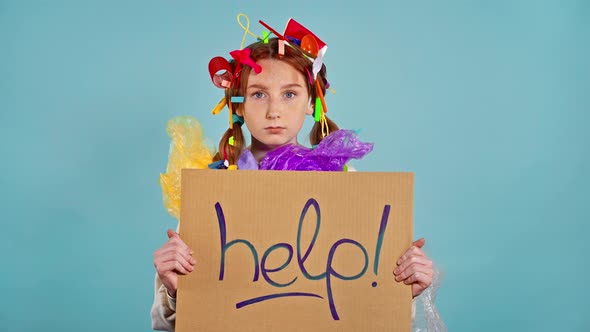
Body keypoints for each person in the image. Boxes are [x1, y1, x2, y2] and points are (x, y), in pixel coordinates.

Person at [152, 16, 442, 331]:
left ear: (311, 102)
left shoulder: (346, 183)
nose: (274, 110)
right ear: (238, 105)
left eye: (289, 94)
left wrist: (401, 290)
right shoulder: (211, 192)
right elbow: (166, 324)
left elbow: (362, 304)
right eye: (258, 94)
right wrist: (174, 288)